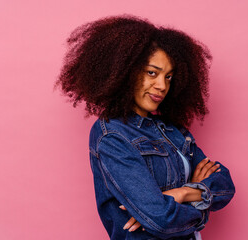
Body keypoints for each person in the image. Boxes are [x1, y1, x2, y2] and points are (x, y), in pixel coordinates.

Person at [56, 15, 235, 240]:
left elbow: (225, 185)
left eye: (169, 77)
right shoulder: (112, 135)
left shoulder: (172, 131)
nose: (162, 86)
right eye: (152, 72)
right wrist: (200, 199)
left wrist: (183, 193)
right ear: (126, 71)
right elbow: (160, 219)